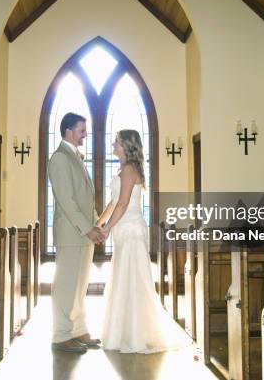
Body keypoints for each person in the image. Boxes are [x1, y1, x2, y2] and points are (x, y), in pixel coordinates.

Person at [98, 129, 191, 353]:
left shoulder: (130, 170)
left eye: (117, 143)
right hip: (123, 228)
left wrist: (107, 228)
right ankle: (122, 332)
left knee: (133, 280)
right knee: (123, 278)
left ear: (126, 146)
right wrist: (98, 222)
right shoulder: (124, 169)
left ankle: (135, 334)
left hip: (130, 230)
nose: (113, 145)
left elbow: (122, 204)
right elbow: (113, 202)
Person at [48, 112, 106, 353]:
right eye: (82, 130)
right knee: (66, 286)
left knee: (80, 286)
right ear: (69, 131)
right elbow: (67, 201)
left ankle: (79, 330)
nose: (85, 134)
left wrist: (97, 226)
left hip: (84, 233)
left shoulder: (76, 157)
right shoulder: (60, 158)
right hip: (71, 233)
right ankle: (61, 336)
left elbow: (86, 199)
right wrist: (86, 228)